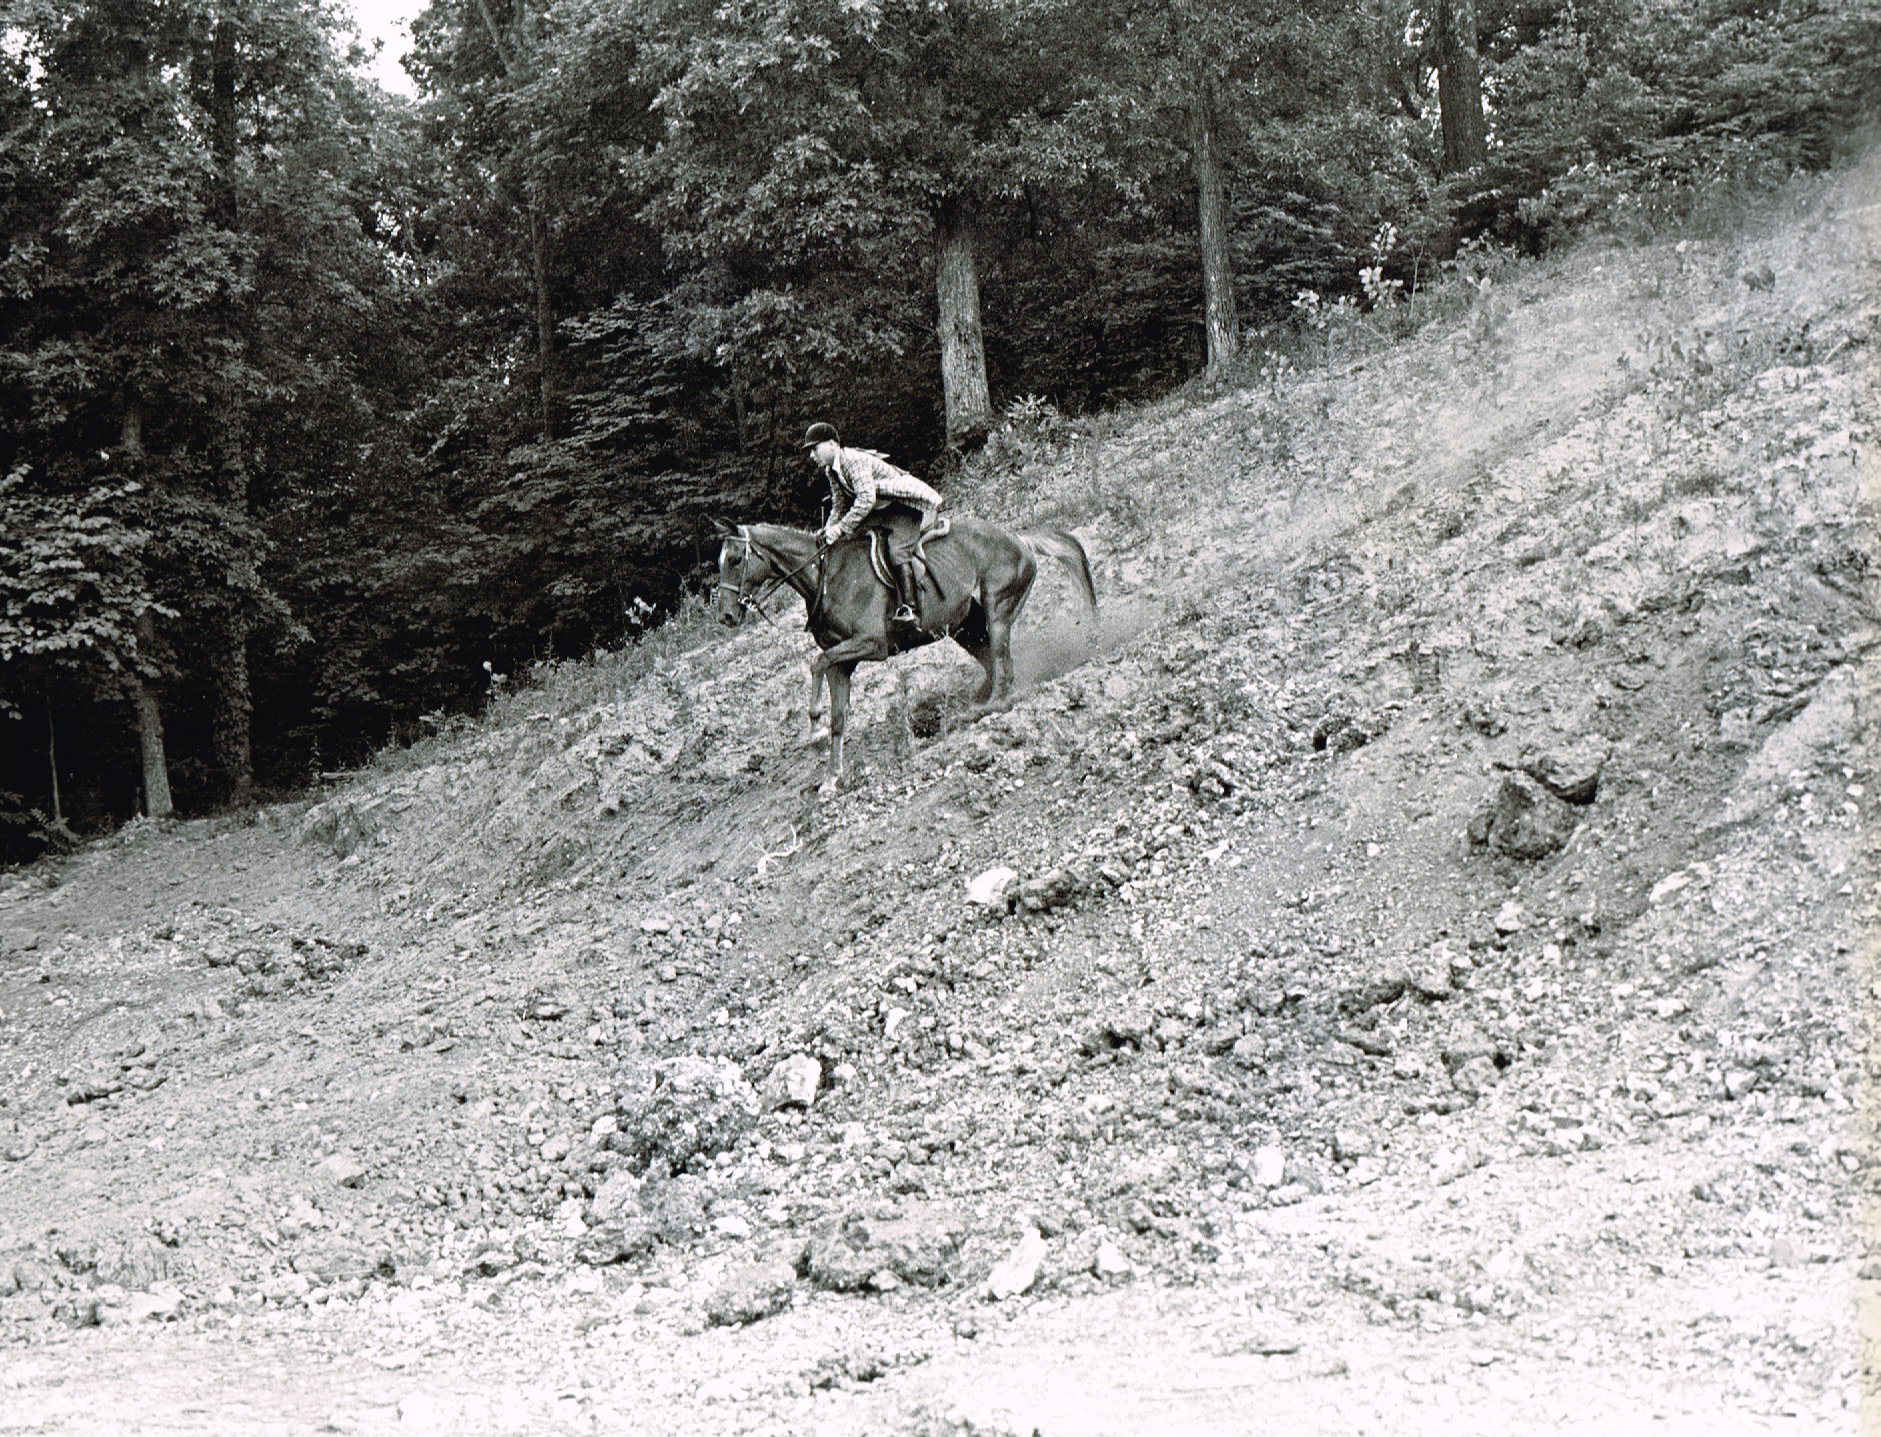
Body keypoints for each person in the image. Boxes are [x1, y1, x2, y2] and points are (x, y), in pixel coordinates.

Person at [803, 422, 943, 625]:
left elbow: (866, 499)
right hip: (880, 512)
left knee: (897, 551)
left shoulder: (852, 461)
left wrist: (841, 528)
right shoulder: (831, 470)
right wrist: (829, 530)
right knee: (851, 542)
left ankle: (911, 609)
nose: (812, 455)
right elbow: (839, 505)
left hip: (901, 510)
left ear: (833, 444)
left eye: (815, 449)